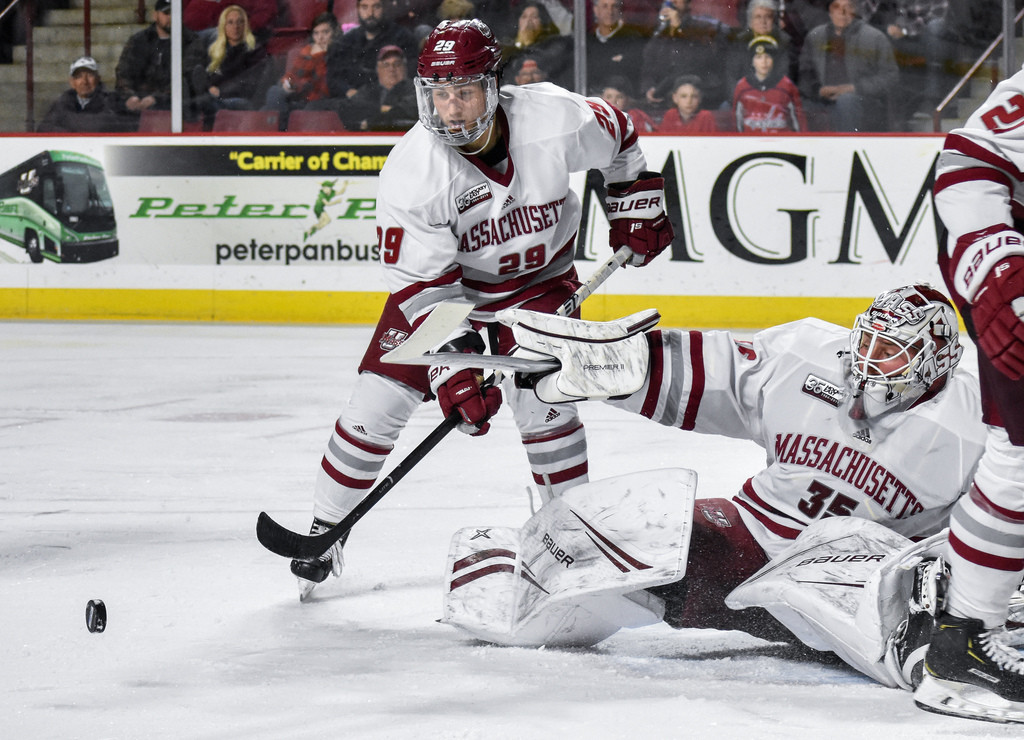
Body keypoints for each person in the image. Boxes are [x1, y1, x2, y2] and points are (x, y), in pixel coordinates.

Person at [288, 18, 673, 600]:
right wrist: (455, 370)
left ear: (496, 87)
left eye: (463, 91)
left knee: (548, 406)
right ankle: (325, 528)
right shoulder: (413, 173)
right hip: (448, 295)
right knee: (378, 403)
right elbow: (429, 295)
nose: (450, 108)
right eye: (438, 93)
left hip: (539, 283)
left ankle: (570, 534)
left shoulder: (553, 118)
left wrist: (633, 203)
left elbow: (620, 136)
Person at [442, 283, 987, 691]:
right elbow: (719, 374)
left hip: (850, 583)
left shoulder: (980, 426)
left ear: (935, 362)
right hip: (747, 541)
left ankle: (925, 654)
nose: (867, 361)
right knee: (615, 525)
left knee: (878, 557)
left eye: (890, 352)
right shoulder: (807, 354)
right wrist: (617, 367)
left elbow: (994, 528)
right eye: (866, 339)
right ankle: (504, 571)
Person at [914, 64, 1024, 724]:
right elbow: (971, 158)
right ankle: (963, 647)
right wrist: (991, 263)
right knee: (1022, 452)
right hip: (1006, 230)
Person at [797, 0, 898, 132]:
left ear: (855, 11)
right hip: (822, 99)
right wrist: (819, 90)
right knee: (800, 106)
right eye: (836, 7)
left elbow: (890, 76)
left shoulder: (874, 37)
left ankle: (846, 149)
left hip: (862, 101)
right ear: (830, 11)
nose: (842, 12)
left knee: (846, 101)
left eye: (848, 7)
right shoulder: (815, 36)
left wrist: (854, 88)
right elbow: (805, 74)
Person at [188, 5, 271, 129]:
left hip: (241, 100)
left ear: (245, 25)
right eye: (230, 23)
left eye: (240, 22)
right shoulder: (215, 49)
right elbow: (209, 75)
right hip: (213, 96)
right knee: (202, 99)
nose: (235, 27)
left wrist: (221, 91)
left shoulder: (255, 50)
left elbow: (250, 83)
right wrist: (210, 88)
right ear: (223, 26)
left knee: (214, 104)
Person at [641, 0, 728, 110]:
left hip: (694, 96)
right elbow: (648, 67)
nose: (673, 2)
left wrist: (679, 28)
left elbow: (694, 64)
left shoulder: (702, 28)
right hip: (663, 96)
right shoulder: (659, 33)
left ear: (688, 4)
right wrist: (649, 88)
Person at [323, 0, 417, 102]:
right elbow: (333, 77)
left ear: (384, 8)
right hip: (351, 101)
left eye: (376, 7)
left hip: (387, 102)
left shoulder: (402, 37)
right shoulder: (347, 41)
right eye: (364, 7)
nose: (370, 13)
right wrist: (348, 91)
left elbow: (407, 77)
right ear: (358, 9)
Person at [116, 0, 197, 115]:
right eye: (166, 13)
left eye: (175, 13)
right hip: (139, 101)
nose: (171, 18)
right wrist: (130, 96)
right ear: (155, 15)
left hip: (172, 106)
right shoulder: (138, 41)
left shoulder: (191, 41)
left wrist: (156, 98)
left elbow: (187, 76)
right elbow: (123, 72)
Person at [263, 12, 338, 131]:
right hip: (298, 96)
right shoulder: (307, 50)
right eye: (316, 33)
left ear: (334, 33)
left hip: (314, 102)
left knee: (270, 107)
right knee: (273, 93)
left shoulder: (337, 52)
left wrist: (319, 55)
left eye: (325, 32)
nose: (320, 38)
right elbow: (292, 74)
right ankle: (276, 132)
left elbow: (321, 84)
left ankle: (277, 134)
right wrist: (286, 82)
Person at [38, 56, 134, 133]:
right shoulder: (62, 103)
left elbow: (110, 126)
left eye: (90, 75)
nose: (84, 81)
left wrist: (71, 129)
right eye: (79, 77)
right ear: (72, 82)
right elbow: (44, 128)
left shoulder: (111, 102)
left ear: (98, 79)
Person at [732, 35, 807, 133]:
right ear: (752, 62)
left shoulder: (786, 86)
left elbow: (799, 123)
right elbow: (737, 124)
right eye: (758, 57)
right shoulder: (742, 87)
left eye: (767, 57)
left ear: (774, 61)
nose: (764, 62)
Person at [338, 44, 417, 131]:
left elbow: (408, 111)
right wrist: (381, 109)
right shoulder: (369, 89)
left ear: (405, 68)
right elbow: (348, 109)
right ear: (378, 69)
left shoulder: (415, 88)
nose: (392, 69)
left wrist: (371, 120)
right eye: (386, 65)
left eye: (397, 64)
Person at [724, 0, 796, 91]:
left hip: (775, 98)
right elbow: (732, 76)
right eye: (758, 17)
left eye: (768, 17)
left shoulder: (784, 42)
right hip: (744, 97)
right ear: (750, 20)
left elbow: (786, 76)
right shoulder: (739, 41)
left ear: (774, 20)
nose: (763, 22)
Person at [500, 2, 573, 89]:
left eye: (534, 17)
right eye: (524, 17)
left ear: (543, 21)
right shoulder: (507, 47)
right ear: (518, 21)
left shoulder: (556, 45)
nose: (529, 21)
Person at [587, 0, 648, 96]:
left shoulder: (633, 38)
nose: (610, 11)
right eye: (605, 6)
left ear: (620, 10)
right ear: (596, 10)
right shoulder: (586, 40)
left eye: (614, 6)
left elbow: (632, 70)